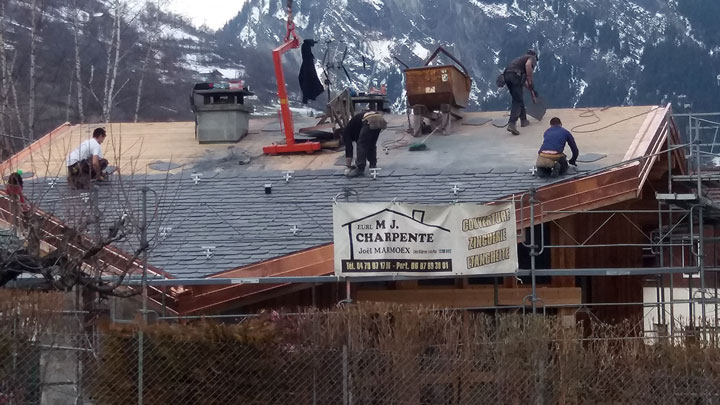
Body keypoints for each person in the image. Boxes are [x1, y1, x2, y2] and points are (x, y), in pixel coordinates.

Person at [503, 49, 538, 135]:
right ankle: (512, 123)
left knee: (518, 97)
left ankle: (524, 120)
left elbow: (524, 82)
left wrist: (531, 90)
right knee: (517, 100)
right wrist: (530, 79)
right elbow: (528, 65)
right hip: (515, 76)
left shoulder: (519, 60)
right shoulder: (531, 58)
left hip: (507, 76)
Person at [345, 111, 387, 178]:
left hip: (369, 120)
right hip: (379, 119)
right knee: (372, 144)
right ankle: (373, 165)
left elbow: (349, 149)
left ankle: (360, 168)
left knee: (361, 145)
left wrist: (348, 166)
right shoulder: (354, 128)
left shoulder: (346, 132)